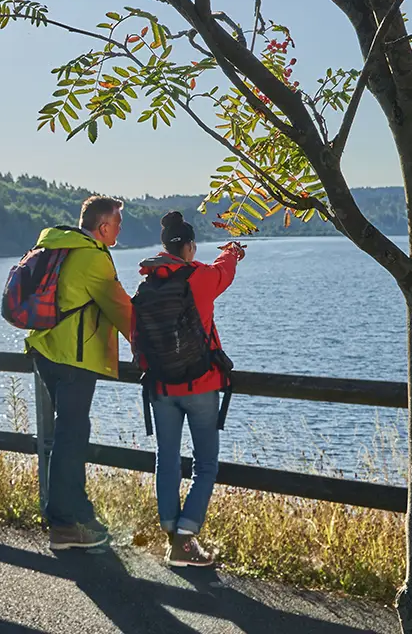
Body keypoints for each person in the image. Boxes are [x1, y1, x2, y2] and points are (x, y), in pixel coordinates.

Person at [23, 195, 135, 550]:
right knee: (71, 438)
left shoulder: (61, 245)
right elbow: (123, 310)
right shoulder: (92, 257)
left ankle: (80, 515)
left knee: (68, 434)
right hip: (74, 358)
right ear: (103, 226)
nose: (119, 229)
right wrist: (154, 348)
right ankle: (64, 525)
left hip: (46, 350)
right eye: (117, 223)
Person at [132, 211, 243, 567]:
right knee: (205, 464)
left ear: (165, 247)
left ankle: (170, 532)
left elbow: (137, 338)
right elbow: (225, 271)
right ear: (191, 247)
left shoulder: (147, 286)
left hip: (161, 388)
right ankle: (184, 539)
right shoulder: (201, 277)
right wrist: (232, 251)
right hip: (200, 385)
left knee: (166, 459)